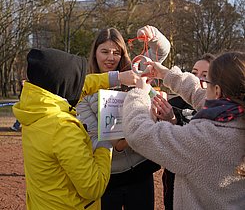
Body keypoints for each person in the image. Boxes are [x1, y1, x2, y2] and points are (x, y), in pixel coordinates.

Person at [12, 47, 138, 210]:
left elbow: (79, 87)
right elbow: (93, 187)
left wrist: (117, 78)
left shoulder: (36, 108)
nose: (78, 86)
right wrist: (104, 141)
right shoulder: (62, 128)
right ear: (62, 85)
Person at [122, 51, 245, 209]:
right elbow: (198, 94)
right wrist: (166, 74)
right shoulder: (236, 117)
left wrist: (139, 94)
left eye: (207, 82)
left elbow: (139, 133)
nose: (203, 87)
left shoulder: (207, 139)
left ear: (217, 91)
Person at [76, 26, 170, 210]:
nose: (111, 58)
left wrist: (152, 35)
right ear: (94, 53)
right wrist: (136, 129)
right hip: (109, 177)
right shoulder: (85, 90)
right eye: (104, 51)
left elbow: (163, 49)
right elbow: (96, 139)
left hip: (141, 172)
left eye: (116, 52)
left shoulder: (135, 73)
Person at [154, 53, 215, 210]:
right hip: (175, 182)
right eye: (194, 73)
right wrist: (170, 120)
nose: (198, 78)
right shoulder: (173, 102)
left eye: (205, 75)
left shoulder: (218, 111)